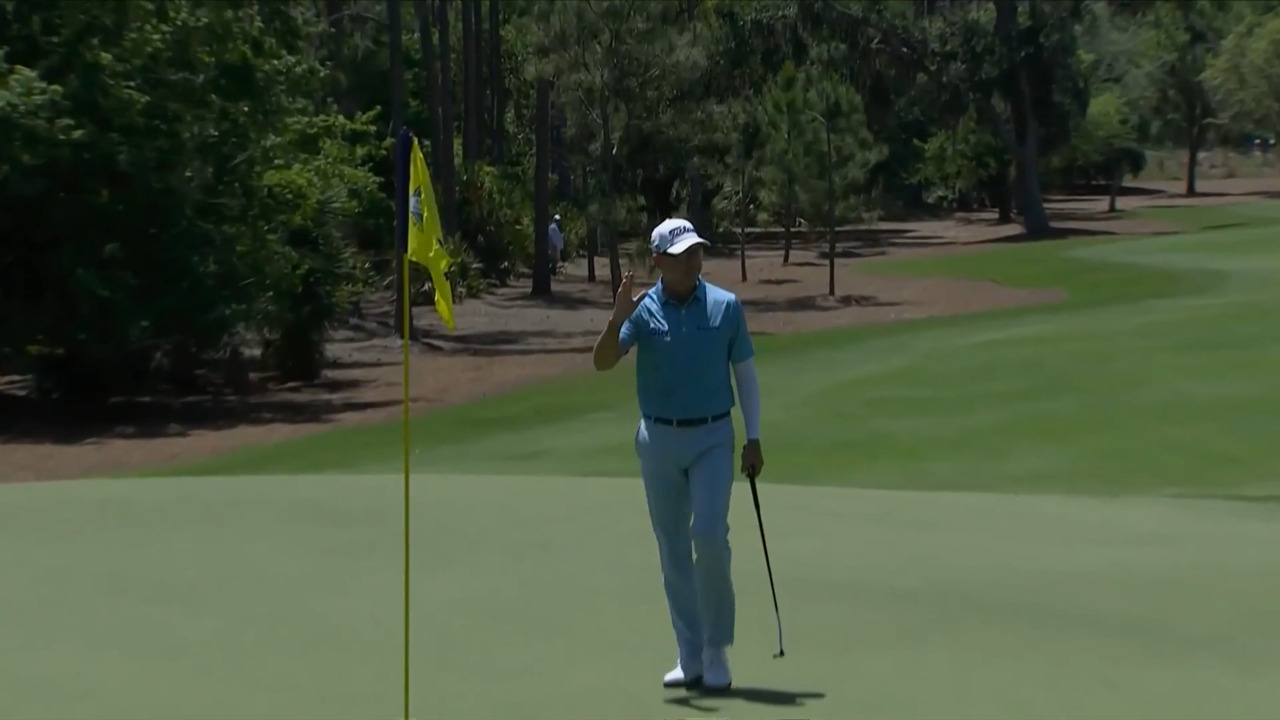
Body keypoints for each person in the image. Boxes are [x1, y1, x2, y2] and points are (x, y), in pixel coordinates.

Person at [592, 217, 764, 692]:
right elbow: (603, 361)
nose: (693, 260)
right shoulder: (643, 310)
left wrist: (753, 437)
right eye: (682, 254)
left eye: (696, 251)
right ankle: (689, 654)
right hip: (658, 439)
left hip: (712, 437)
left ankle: (716, 649)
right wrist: (617, 318)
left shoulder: (725, 306)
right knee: (672, 550)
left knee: (708, 535)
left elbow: (746, 375)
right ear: (659, 262)